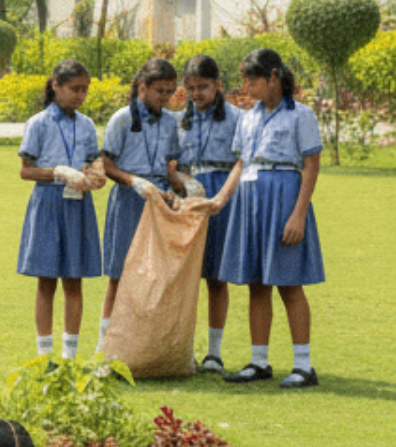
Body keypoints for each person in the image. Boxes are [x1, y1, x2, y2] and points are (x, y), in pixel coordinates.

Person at [207, 48, 325, 389]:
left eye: (252, 79)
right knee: (256, 283)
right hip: (250, 200)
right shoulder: (248, 117)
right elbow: (242, 163)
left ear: (273, 76)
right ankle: (260, 361)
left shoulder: (301, 115)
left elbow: (311, 165)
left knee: (289, 283)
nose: (246, 86)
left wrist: (298, 215)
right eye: (243, 79)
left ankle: (303, 365)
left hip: (284, 196)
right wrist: (221, 199)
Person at [15, 59, 103, 360]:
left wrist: (95, 175)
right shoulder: (39, 123)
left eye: (84, 90)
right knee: (46, 280)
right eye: (74, 89)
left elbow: (93, 162)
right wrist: (59, 172)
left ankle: (69, 356)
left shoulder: (87, 125)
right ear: (56, 86)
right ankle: (44, 355)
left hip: (78, 204)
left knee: (74, 280)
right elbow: (26, 171)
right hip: (48, 203)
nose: (80, 96)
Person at [98, 58, 183, 346]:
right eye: (160, 91)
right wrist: (135, 182)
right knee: (118, 276)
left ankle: (151, 345)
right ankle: (105, 346)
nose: (166, 98)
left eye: (170, 92)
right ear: (143, 87)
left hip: (160, 203)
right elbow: (107, 164)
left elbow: (171, 167)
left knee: (159, 276)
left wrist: (173, 190)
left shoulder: (171, 122)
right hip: (128, 200)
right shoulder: (122, 118)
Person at [175, 55, 240, 374]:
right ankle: (181, 349)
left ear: (218, 85)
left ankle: (214, 353)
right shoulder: (178, 120)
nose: (197, 93)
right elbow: (171, 163)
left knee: (215, 277)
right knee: (184, 279)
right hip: (186, 196)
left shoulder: (239, 118)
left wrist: (220, 198)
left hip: (220, 197)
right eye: (190, 88)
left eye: (203, 87)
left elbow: (243, 162)